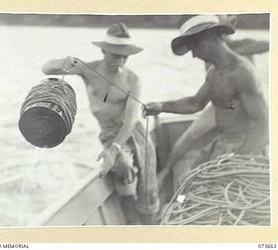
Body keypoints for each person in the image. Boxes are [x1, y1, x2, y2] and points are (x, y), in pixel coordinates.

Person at [42, 23, 159, 224]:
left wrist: (114, 149)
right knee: (123, 170)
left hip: (135, 134)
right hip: (109, 134)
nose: (121, 60)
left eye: (125, 55)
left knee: (148, 191)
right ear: (103, 50)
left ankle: (152, 230)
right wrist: (63, 62)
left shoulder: (133, 80)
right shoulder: (88, 70)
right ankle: (133, 227)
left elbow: (131, 120)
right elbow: (46, 68)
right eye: (116, 54)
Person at [143, 15, 268, 188]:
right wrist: (162, 106)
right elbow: (196, 103)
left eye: (194, 47)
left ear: (207, 39)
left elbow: (264, 124)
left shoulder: (242, 71)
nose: (193, 55)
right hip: (222, 143)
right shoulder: (213, 73)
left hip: (244, 149)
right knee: (187, 184)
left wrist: (239, 161)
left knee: (216, 196)